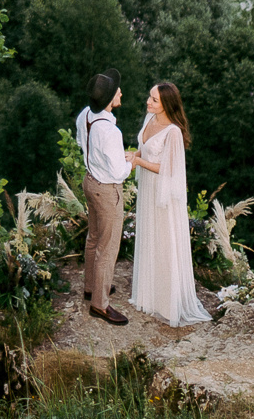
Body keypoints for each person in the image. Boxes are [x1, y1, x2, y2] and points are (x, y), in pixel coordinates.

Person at [127, 81, 212, 326]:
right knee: (150, 238)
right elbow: (145, 149)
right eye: (149, 97)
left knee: (164, 241)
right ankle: (149, 296)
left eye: (154, 100)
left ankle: (167, 302)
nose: (148, 102)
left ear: (166, 105)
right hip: (148, 190)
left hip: (163, 195)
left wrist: (138, 163)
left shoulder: (173, 131)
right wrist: (134, 155)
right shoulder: (149, 119)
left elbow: (169, 168)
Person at [76, 70, 130, 324]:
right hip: (107, 191)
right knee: (108, 248)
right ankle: (100, 304)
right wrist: (132, 161)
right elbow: (119, 172)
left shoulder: (84, 116)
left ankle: (91, 287)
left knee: (93, 237)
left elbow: (81, 143)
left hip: (89, 182)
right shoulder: (110, 132)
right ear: (109, 99)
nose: (120, 92)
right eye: (117, 90)